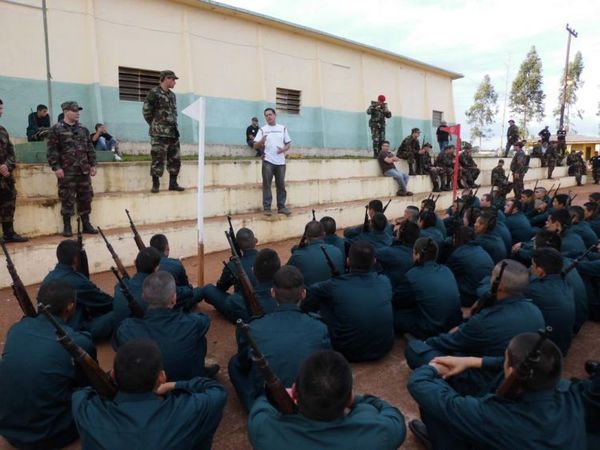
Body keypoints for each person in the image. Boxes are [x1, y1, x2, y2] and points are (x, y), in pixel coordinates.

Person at [407, 333, 587, 450]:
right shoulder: (573, 393)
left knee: (435, 407)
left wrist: (434, 368)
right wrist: (471, 361)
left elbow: (420, 384)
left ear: (510, 370)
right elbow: (515, 367)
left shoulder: (494, 415)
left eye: (505, 358)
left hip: (502, 428)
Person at [405, 260, 545, 395]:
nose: (490, 279)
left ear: (500, 286)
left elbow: (449, 342)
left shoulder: (487, 320)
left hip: (484, 381)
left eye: (492, 276)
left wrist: (426, 343)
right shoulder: (536, 311)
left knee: (414, 348)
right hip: (509, 371)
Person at [72, 339, 227, 450]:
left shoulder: (85, 409)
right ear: (162, 378)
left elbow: (81, 393)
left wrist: (110, 384)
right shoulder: (186, 409)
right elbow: (217, 390)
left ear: (113, 375)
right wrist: (175, 385)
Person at [0, 281, 96, 449]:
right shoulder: (79, 342)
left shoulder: (16, 329)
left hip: (9, 429)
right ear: (70, 307)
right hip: (50, 435)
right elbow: (90, 384)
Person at [248, 350, 407, 450]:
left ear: (295, 391)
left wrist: (285, 396)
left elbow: (262, 404)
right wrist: (360, 401)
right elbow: (393, 415)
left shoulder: (263, 429)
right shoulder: (380, 433)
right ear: (349, 398)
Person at [228, 266, 331, 412]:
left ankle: (256, 408)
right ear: (303, 294)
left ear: (272, 293)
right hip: (309, 401)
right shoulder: (319, 327)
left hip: (268, 404)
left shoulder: (253, 328)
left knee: (234, 364)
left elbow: (244, 363)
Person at [114, 271, 217, 380]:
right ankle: (199, 373)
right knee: (200, 339)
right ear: (174, 299)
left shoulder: (126, 328)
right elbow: (204, 320)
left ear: (143, 297)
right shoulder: (193, 323)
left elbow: (118, 343)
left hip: (146, 385)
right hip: (184, 384)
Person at [305, 241, 394, 362]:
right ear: (374, 261)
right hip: (384, 347)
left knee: (324, 302)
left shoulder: (334, 285)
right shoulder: (385, 281)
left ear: (348, 261)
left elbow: (311, 291)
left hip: (348, 352)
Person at [41, 239, 113, 339]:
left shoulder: (50, 276)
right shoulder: (78, 281)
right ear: (75, 259)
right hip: (72, 331)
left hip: (48, 326)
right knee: (117, 313)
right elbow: (106, 302)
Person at [46, 101, 98, 237]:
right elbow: (52, 151)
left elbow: (90, 148)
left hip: (83, 170)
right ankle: (67, 226)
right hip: (66, 171)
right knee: (67, 198)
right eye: (74, 110)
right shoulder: (56, 129)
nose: (77, 113)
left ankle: (86, 224)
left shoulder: (83, 129)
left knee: (86, 197)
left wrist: (93, 165)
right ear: (66, 111)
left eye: (78, 110)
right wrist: (56, 167)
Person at [393, 238, 462, 338]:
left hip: (431, 329)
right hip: (453, 324)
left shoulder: (413, 275)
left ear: (417, 255)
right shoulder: (446, 270)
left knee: (393, 314)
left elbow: (396, 300)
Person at [202, 248, 279, 323]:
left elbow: (223, 289)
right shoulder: (285, 293)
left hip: (242, 311)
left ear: (253, 271)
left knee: (208, 289)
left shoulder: (236, 301)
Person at [526, 248, 574, 355]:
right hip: (562, 346)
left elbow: (510, 289)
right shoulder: (565, 283)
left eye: (532, 265)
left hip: (546, 353)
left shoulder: (535, 289)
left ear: (540, 271)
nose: (531, 268)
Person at [142, 70, 184, 193]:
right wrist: (155, 125)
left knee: (175, 158)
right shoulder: (153, 93)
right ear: (166, 79)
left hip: (172, 132)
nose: (174, 82)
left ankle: (173, 183)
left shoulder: (172, 95)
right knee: (158, 158)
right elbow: (146, 111)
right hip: (159, 133)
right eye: (173, 79)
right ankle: (155, 184)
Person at [253, 108, 292, 216]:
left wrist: (283, 150)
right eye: (266, 115)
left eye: (270, 114)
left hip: (281, 163)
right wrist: (261, 141)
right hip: (268, 162)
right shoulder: (262, 130)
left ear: (275, 115)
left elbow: (288, 144)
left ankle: (281, 207)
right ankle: (267, 208)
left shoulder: (282, 128)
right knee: (267, 185)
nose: (268, 117)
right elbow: (255, 145)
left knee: (281, 185)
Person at [0, 99, 28, 242]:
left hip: (5, 177)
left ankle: (9, 232)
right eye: (0, 109)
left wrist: (7, 165)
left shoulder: (3, 131)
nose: (1, 112)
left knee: (8, 204)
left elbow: (12, 152)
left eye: (1, 109)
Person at [446, 226, 494, 307]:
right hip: (484, 293)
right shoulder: (481, 249)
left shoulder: (458, 254)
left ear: (457, 239)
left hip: (470, 296)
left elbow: (446, 273)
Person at [288, 221, 345, 285]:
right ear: (324, 234)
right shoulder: (337, 251)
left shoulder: (298, 256)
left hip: (311, 293)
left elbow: (286, 274)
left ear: (306, 236)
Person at [215, 227, 258, 292]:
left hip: (242, 301)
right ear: (255, 241)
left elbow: (222, 287)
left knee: (208, 289)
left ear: (237, 246)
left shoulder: (233, 265)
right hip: (267, 299)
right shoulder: (269, 257)